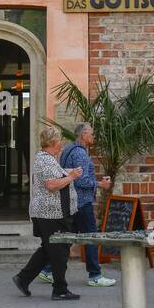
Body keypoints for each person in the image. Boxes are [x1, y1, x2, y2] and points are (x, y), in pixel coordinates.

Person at [38, 122, 116, 287]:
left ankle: (47, 269)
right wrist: (100, 184)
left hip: (71, 201)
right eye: (92, 134)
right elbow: (81, 181)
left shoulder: (67, 149)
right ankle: (95, 275)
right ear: (84, 135)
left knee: (67, 238)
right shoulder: (80, 154)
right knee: (91, 237)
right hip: (82, 202)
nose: (94, 137)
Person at [12, 125, 83, 300]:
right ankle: (59, 289)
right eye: (59, 140)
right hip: (50, 214)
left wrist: (69, 173)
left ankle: (23, 278)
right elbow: (51, 185)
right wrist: (71, 177)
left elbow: (54, 177)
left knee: (49, 249)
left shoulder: (48, 159)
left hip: (52, 213)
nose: (61, 143)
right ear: (53, 142)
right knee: (58, 251)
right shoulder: (45, 159)